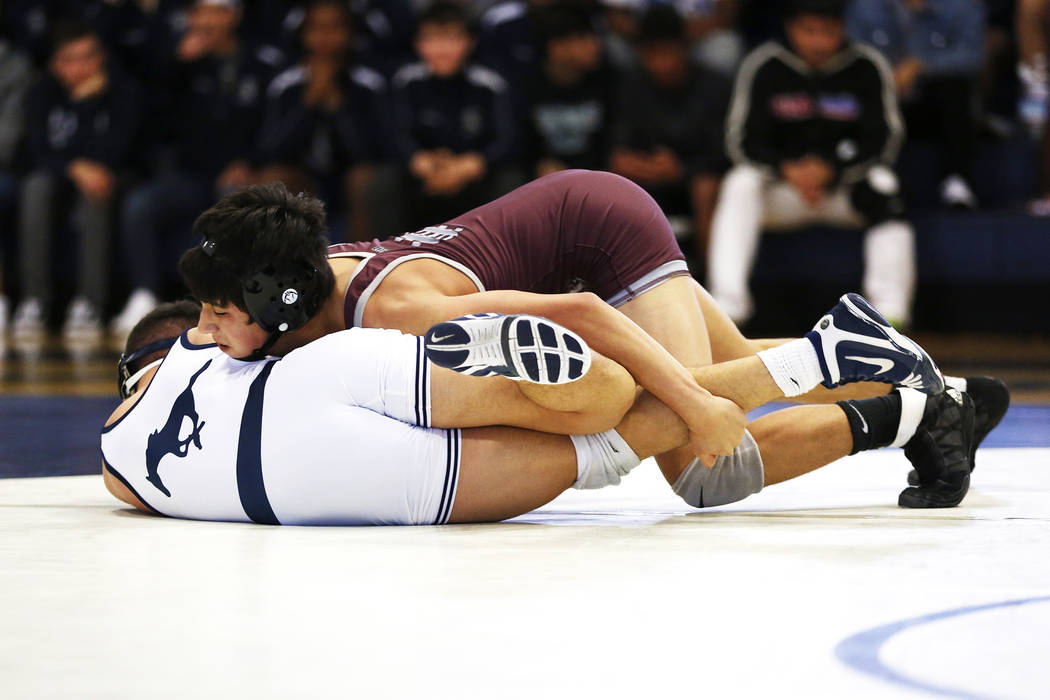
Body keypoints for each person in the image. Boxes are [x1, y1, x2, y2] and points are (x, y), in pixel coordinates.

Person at [176, 181, 1009, 511]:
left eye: (215, 314)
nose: (204, 333)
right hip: (578, 236)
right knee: (731, 366)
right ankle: (940, 402)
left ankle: (911, 405)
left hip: (600, 246)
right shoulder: (302, 289)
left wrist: (691, 408)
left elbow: (580, 312)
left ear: (277, 298)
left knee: (697, 459)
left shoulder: (398, 310)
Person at [100, 292, 975, 525]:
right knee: (615, 416)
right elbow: (584, 310)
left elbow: (590, 311)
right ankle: (838, 367)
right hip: (365, 367)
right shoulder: (298, 323)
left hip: (321, 476)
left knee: (631, 447)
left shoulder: (122, 455)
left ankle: (815, 363)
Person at [707, 0, 916, 328]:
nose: (819, 42)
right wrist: (785, 169)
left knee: (885, 184)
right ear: (791, 28)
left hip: (844, 193)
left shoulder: (866, 66)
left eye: (828, 32)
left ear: (843, 29)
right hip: (782, 193)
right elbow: (740, 139)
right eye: (810, 31)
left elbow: (885, 140)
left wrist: (833, 170)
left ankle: (888, 314)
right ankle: (729, 308)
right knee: (740, 183)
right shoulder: (765, 65)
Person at [110, 0, 285, 338]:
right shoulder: (179, 63)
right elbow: (151, 121)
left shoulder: (263, 63)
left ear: (233, 16)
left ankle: (235, 300)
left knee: (236, 203)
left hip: (245, 174)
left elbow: (276, 123)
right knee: (141, 204)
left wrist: (252, 161)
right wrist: (178, 66)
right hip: (190, 173)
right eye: (198, 12)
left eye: (214, 11)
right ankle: (144, 293)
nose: (205, 21)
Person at [11, 19, 142, 341]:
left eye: (89, 56)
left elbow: (119, 150)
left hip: (115, 174)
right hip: (61, 172)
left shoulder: (122, 91)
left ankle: (90, 302)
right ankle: (35, 300)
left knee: (95, 187)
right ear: (56, 64)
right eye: (71, 59)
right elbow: (35, 150)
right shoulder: (42, 92)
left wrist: (86, 106)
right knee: (35, 187)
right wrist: (73, 166)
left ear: (102, 58)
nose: (82, 67)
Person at [254, 0, 392, 241]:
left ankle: (358, 269)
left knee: (364, 179)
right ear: (303, 34)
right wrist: (308, 104)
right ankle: (281, 270)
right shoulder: (286, 85)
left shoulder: (368, 84)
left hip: (348, 179)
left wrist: (336, 105)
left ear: (350, 33)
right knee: (273, 177)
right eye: (316, 28)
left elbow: (368, 153)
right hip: (305, 179)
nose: (325, 37)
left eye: (334, 28)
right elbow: (271, 150)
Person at [608, 4, 731, 264]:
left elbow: (724, 153)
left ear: (684, 48)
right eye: (652, 53)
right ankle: (627, 278)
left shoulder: (715, 85)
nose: (661, 62)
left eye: (668, 51)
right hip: (647, 174)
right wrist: (639, 164)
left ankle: (711, 273)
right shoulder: (631, 86)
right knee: (614, 179)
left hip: (698, 176)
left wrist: (682, 170)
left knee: (705, 185)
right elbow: (618, 148)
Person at [388, 2, 523, 229]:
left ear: (471, 41)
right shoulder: (406, 81)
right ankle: (384, 254)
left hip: (474, 172)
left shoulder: (489, 83)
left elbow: (507, 139)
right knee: (383, 181)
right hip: (425, 172)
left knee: (510, 180)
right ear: (418, 44)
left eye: (452, 38)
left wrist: (470, 164)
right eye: (432, 39)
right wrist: (420, 160)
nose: (442, 49)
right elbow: (394, 132)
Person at [846, 0, 987, 210]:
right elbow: (852, 55)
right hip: (887, 102)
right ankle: (879, 182)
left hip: (936, 105)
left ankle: (956, 181)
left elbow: (972, 57)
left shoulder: (963, 5)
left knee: (954, 89)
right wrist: (888, 75)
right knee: (865, 92)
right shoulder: (865, 7)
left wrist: (921, 66)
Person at [526, 6, 617, 178]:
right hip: (542, 178)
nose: (595, 45)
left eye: (594, 37)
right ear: (556, 47)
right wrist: (539, 164)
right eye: (583, 39)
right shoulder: (527, 86)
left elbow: (611, 142)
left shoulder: (608, 80)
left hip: (598, 175)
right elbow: (521, 146)